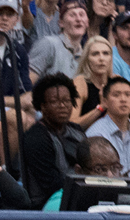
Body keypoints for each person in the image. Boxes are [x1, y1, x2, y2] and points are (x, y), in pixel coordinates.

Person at [19, 73, 87, 206]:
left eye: (66, 100)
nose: (62, 106)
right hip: (47, 204)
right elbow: (51, 184)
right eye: (54, 102)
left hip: (78, 196)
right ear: (42, 106)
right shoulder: (35, 138)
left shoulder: (77, 131)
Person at [86, 76, 130, 199]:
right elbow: (98, 178)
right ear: (105, 100)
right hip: (104, 196)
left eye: (128, 95)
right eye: (116, 95)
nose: (123, 99)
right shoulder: (95, 134)